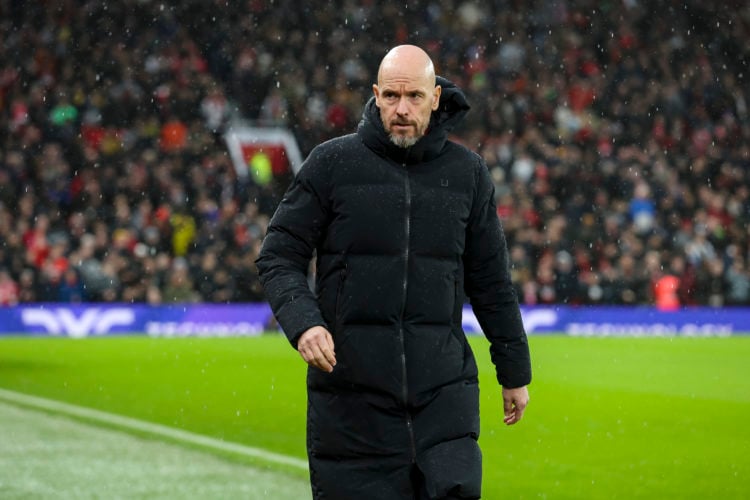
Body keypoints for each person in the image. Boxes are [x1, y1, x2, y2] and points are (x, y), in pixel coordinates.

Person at [256, 45, 531, 500]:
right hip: (352, 407)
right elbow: (278, 253)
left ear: (437, 97)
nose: (401, 109)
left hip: (443, 400)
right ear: (375, 96)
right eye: (391, 96)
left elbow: (491, 280)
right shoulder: (332, 164)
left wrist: (514, 369)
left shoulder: (468, 174)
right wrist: (304, 324)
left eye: (415, 97)